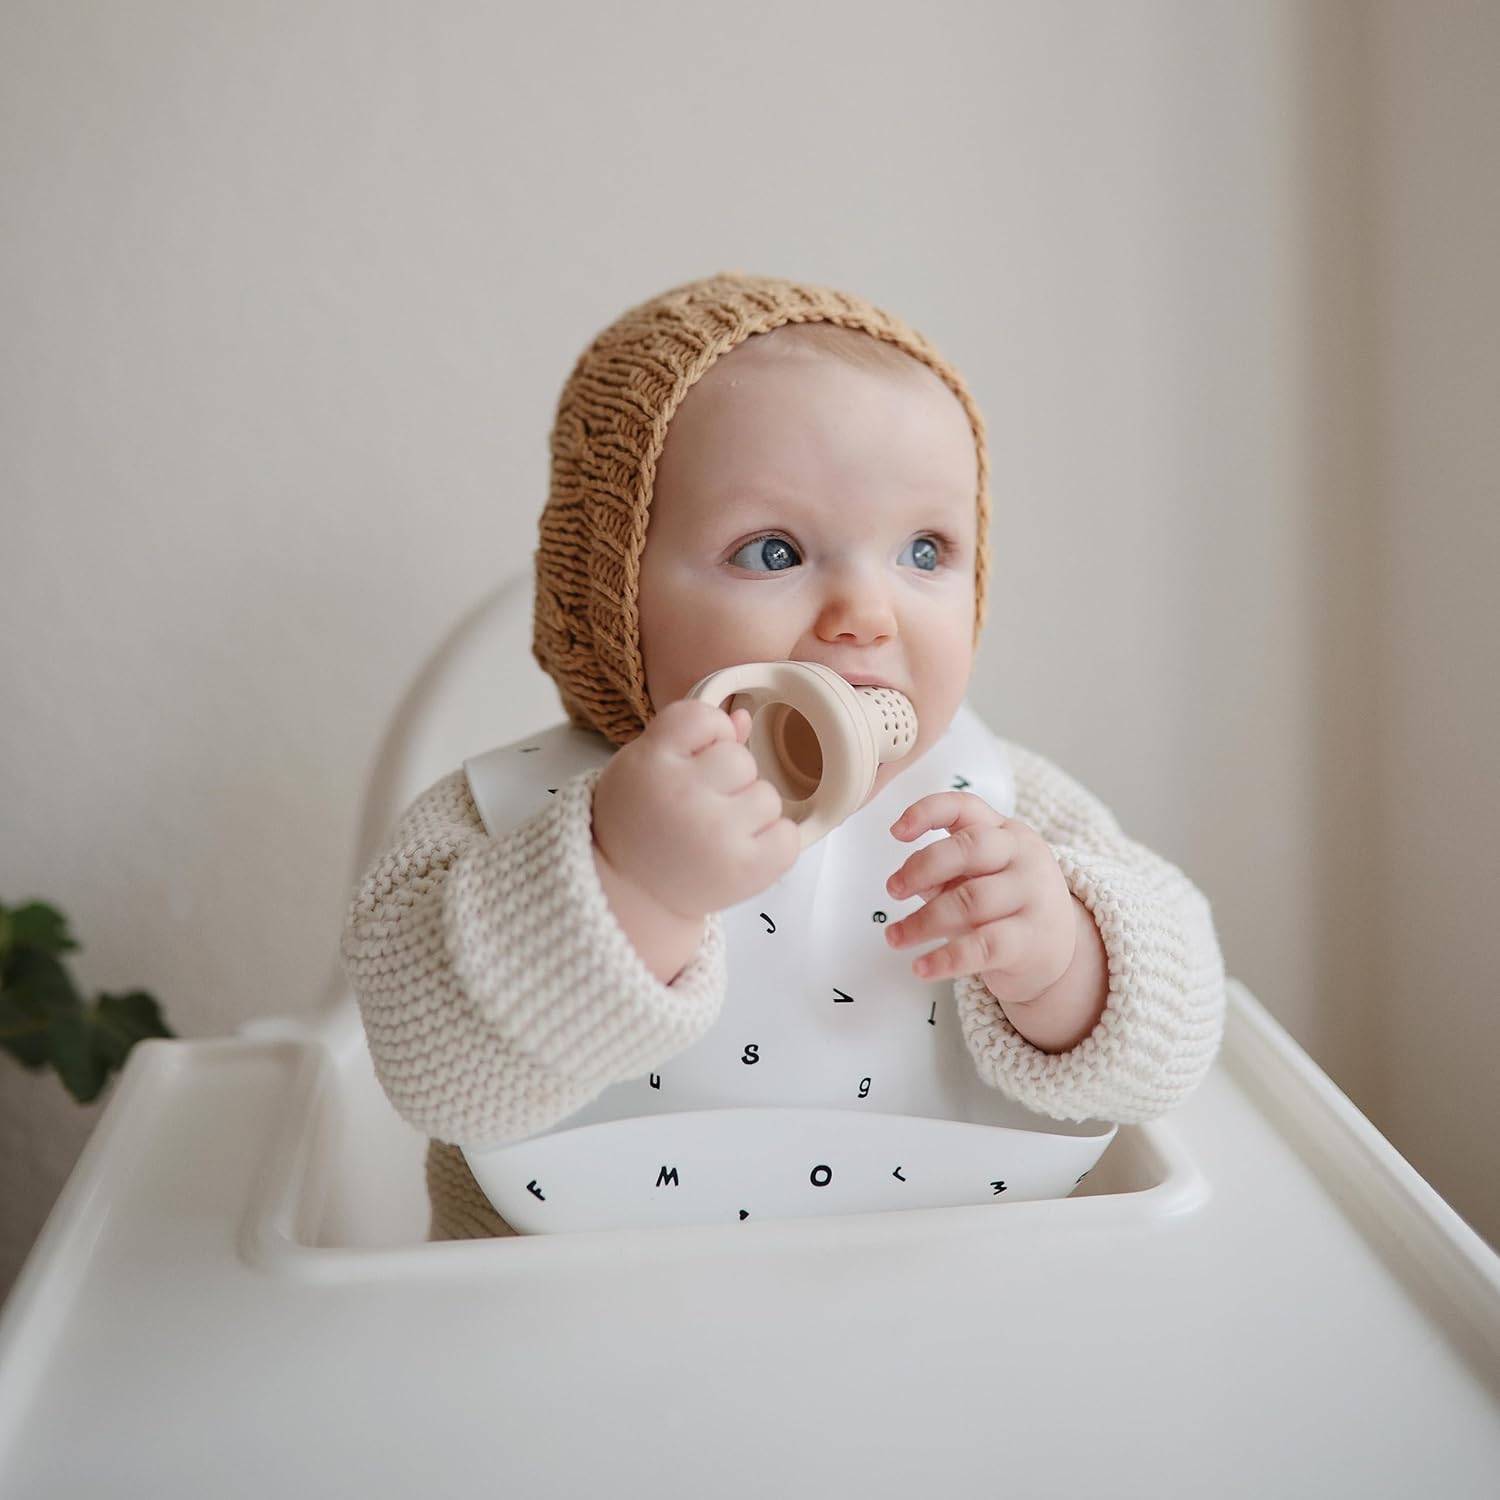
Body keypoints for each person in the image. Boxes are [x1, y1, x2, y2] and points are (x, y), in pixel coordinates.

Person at [341, 272, 1226, 1240]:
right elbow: (426, 1070)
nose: (867, 614)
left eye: (924, 552)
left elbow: (1184, 1033)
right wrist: (627, 883)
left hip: (937, 1282)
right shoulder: (508, 812)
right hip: (565, 1304)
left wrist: (1066, 961)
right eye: (774, 552)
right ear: (614, 594)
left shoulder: (1001, 808)